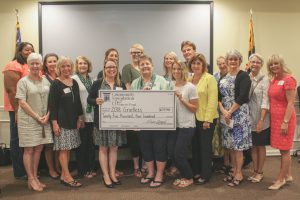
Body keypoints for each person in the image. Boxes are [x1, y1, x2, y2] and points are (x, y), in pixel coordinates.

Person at [16, 53, 53, 191]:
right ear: (28, 65)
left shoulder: (45, 81)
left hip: (44, 120)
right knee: (29, 149)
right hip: (29, 120)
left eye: (38, 63)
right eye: (32, 63)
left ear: (41, 65)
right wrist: (37, 117)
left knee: (39, 149)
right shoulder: (23, 82)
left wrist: (48, 115)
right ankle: (30, 178)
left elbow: (52, 100)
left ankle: (35, 177)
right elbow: (22, 102)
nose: (35, 66)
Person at [131, 55, 169, 188]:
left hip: (159, 122)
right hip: (142, 123)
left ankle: (159, 174)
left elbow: (168, 99)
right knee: (146, 149)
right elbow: (132, 102)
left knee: (159, 148)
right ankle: (150, 173)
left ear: (152, 66)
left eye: (147, 64)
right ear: (139, 67)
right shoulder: (136, 83)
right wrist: (141, 93)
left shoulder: (161, 80)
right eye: (142, 64)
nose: (145, 66)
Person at [87, 58, 126, 188]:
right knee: (103, 149)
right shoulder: (98, 83)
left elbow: (127, 102)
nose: (111, 69)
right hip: (102, 122)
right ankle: (106, 175)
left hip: (116, 122)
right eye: (108, 67)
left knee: (114, 148)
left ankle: (113, 173)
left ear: (117, 68)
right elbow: (89, 99)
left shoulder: (121, 84)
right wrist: (95, 101)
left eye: (113, 67)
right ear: (104, 69)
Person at [218, 49, 252, 187]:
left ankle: (239, 173)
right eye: (230, 59)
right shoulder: (223, 77)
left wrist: (230, 111)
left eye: (235, 59)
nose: (232, 61)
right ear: (226, 61)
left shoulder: (244, 76)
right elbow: (218, 97)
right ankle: (233, 170)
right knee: (230, 146)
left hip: (238, 115)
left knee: (238, 147)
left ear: (239, 61)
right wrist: (223, 111)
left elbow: (243, 96)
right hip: (226, 115)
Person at [48, 56, 83, 187]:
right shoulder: (56, 84)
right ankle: (68, 177)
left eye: (68, 66)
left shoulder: (73, 82)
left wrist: (80, 117)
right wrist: (54, 123)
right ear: (59, 68)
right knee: (63, 149)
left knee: (68, 149)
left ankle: (64, 175)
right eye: (63, 66)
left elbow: (78, 102)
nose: (66, 68)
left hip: (73, 121)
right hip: (61, 122)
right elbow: (52, 105)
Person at [2, 42, 34, 179]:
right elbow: (11, 90)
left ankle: (29, 169)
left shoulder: (31, 64)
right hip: (17, 108)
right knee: (17, 139)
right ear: (19, 51)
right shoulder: (13, 65)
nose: (29, 52)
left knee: (28, 139)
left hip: (30, 108)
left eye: (32, 50)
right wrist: (16, 111)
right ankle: (20, 172)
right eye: (27, 49)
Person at [267, 54, 297, 190]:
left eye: (276, 63)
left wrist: (285, 122)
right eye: (271, 64)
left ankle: (280, 179)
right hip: (275, 119)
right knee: (282, 149)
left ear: (281, 64)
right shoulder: (274, 80)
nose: (274, 66)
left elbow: (291, 102)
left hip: (285, 119)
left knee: (285, 150)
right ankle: (288, 175)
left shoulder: (288, 79)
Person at [188, 54, 219, 184]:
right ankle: (196, 171)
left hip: (206, 119)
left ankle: (205, 174)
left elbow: (213, 100)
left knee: (205, 148)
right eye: (193, 63)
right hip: (192, 119)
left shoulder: (209, 78)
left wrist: (207, 120)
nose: (196, 66)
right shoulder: (189, 79)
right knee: (195, 147)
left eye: (198, 63)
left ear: (203, 65)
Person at [171, 61, 198, 188]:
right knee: (174, 153)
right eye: (174, 69)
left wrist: (182, 99)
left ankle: (189, 177)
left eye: (179, 69)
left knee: (179, 153)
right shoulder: (170, 85)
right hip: (173, 125)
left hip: (187, 125)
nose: (176, 71)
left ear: (184, 70)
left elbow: (195, 108)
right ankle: (183, 175)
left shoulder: (190, 87)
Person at [121, 43, 144, 177]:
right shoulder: (127, 68)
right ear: (130, 54)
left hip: (145, 109)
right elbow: (128, 89)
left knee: (145, 139)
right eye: (133, 52)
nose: (136, 54)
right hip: (133, 108)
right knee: (134, 140)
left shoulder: (145, 67)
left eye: (139, 52)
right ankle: (136, 167)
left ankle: (146, 165)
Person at [247, 53, 270, 183]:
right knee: (253, 146)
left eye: (257, 62)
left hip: (261, 119)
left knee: (260, 146)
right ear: (249, 63)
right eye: (252, 62)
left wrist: (261, 120)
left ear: (261, 64)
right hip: (249, 119)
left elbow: (265, 101)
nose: (254, 64)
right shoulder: (247, 77)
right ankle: (255, 171)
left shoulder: (265, 79)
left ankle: (260, 172)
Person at [72, 56, 96, 179]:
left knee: (91, 144)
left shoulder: (92, 80)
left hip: (92, 116)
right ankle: (83, 169)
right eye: (80, 63)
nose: (83, 66)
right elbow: (74, 100)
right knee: (82, 145)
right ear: (77, 65)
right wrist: (79, 117)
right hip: (81, 117)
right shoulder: (73, 79)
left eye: (85, 63)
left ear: (88, 65)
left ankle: (91, 168)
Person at [42, 53, 60, 179]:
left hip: (61, 115)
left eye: (55, 61)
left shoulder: (62, 77)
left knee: (59, 143)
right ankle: (51, 169)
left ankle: (59, 167)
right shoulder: (42, 79)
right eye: (50, 61)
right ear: (46, 64)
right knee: (49, 145)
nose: (53, 64)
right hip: (48, 115)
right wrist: (48, 114)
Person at [162, 51, 179, 177]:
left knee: (175, 143)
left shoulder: (179, 76)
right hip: (165, 115)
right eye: (166, 58)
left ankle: (175, 165)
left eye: (171, 58)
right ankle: (167, 165)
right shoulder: (161, 78)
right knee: (167, 143)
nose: (168, 60)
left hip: (178, 113)